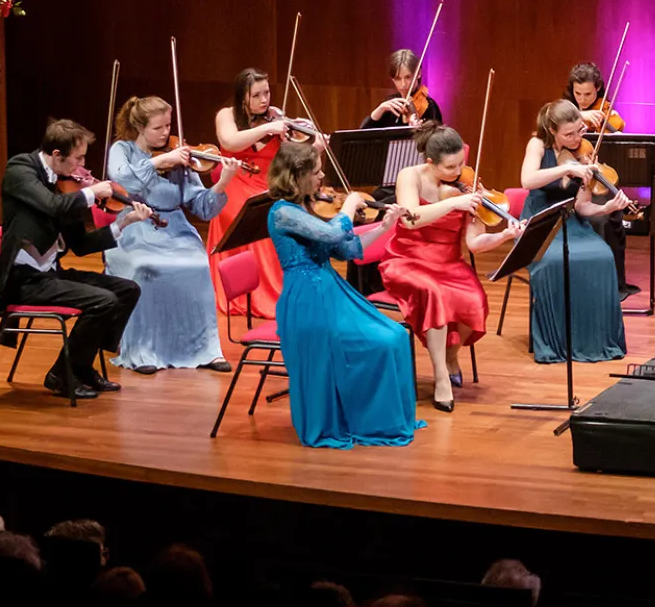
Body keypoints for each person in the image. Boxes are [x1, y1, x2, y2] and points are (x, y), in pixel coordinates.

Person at [263, 143, 422, 448]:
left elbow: (345, 248)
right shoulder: (282, 212)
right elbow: (333, 234)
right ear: (297, 176)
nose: (322, 176)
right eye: (316, 171)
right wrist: (349, 206)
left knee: (395, 336)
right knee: (382, 342)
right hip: (306, 300)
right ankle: (361, 418)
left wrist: (384, 226)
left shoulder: (308, 206)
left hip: (329, 290)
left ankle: (376, 417)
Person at [0, 119, 152, 400]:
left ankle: (80, 365)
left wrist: (123, 223)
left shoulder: (67, 187)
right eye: (77, 158)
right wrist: (92, 192)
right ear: (56, 155)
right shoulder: (20, 170)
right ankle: (61, 373)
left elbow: (79, 245)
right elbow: (51, 205)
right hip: (23, 280)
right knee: (103, 302)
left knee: (127, 290)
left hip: (51, 274)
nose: (81, 167)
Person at [380, 125, 524, 411]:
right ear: (430, 162)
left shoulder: (467, 187)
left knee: (475, 301)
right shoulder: (410, 176)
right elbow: (410, 220)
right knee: (436, 294)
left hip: (448, 261)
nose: (458, 172)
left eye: (461, 163)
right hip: (407, 259)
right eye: (450, 167)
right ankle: (441, 377)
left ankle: (450, 354)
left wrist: (505, 236)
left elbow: (475, 243)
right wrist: (455, 203)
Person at [105, 96, 241, 374]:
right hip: (133, 226)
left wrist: (222, 183)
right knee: (145, 267)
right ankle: (143, 350)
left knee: (199, 265)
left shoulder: (179, 156)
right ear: (140, 128)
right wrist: (157, 163)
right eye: (158, 128)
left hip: (175, 228)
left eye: (168, 125)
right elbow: (121, 181)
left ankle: (206, 350)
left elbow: (201, 207)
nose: (167, 133)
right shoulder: (123, 150)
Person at [209, 68, 326, 325]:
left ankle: (295, 290)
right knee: (261, 220)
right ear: (242, 98)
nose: (265, 100)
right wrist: (269, 128)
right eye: (257, 95)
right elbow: (230, 143)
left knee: (292, 219)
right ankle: (260, 293)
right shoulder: (227, 116)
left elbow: (294, 155)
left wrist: (313, 144)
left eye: (267, 93)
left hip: (268, 186)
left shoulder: (275, 119)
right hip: (234, 185)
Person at [520, 101, 633, 364]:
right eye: (568, 134)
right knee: (554, 260)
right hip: (540, 222)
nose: (576, 139)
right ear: (552, 130)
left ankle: (595, 339)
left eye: (580, 132)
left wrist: (605, 206)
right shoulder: (538, 144)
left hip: (570, 221)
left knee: (603, 256)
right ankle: (556, 342)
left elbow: (581, 206)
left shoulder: (584, 152)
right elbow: (526, 179)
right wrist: (567, 168)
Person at [563, 62, 639, 300]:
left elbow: (619, 135)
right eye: (578, 94)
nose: (583, 99)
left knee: (612, 225)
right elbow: (547, 133)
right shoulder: (564, 111)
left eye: (588, 94)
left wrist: (606, 123)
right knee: (590, 226)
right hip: (569, 179)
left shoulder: (606, 111)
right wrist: (578, 116)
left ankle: (616, 284)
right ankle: (587, 282)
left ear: (598, 89)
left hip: (598, 178)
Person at [362, 48, 442, 128]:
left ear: (418, 73)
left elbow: (437, 139)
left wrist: (418, 131)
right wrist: (379, 110)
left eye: (408, 77)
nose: (403, 84)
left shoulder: (430, 107)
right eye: (398, 79)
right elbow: (362, 134)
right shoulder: (390, 105)